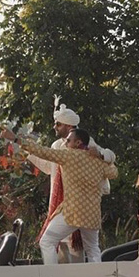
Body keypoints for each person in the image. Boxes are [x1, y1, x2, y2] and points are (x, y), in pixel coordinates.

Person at [4, 127, 117, 264]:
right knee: (93, 249)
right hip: (92, 213)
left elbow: (42, 152)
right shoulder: (98, 160)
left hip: (73, 212)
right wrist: (101, 155)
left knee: (47, 242)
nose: (66, 143)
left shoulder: (68, 155)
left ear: (78, 143)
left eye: (69, 140)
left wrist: (16, 139)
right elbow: (114, 172)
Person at [27, 103, 115, 263]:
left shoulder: (87, 145)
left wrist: (102, 155)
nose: (54, 127)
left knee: (76, 248)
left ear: (68, 126)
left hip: (77, 205)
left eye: (58, 124)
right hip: (62, 204)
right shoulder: (57, 145)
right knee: (63, 247)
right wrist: (29, 154)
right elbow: (49, 167)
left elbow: (109, 161)